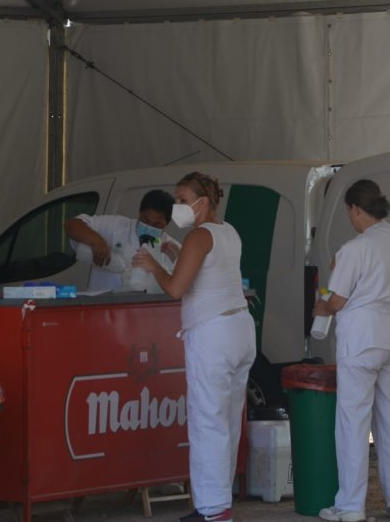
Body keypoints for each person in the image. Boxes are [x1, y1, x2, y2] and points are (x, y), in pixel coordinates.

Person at [132, 172, 255, 522]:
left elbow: (175, 288)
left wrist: (154, 264)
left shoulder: (200, 235)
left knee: (208, 421)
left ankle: (213, 509)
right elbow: (210, 271)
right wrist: (176, 251)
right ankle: (220, 502)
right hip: (240, 328)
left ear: (203, 202)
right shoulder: (228, 231)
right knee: (227, 420)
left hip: (213, 334)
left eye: (183, 200)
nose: (177, 206)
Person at [312, 179, 390, 522]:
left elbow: (336, 300)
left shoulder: (353, 249)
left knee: (353, 422)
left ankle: (351, 505)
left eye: (349, 212)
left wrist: (321, 306)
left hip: (362, 341)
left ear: (356, 210)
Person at [65, 189, 178, 292]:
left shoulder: (171, 249)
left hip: (144, 311)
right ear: (139, 214)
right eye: (145, 220)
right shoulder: (117, 226)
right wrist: (97, 241)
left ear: (167, 223)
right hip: (102, 306)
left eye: (156, 224)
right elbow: (72, 225)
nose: (149, 226)